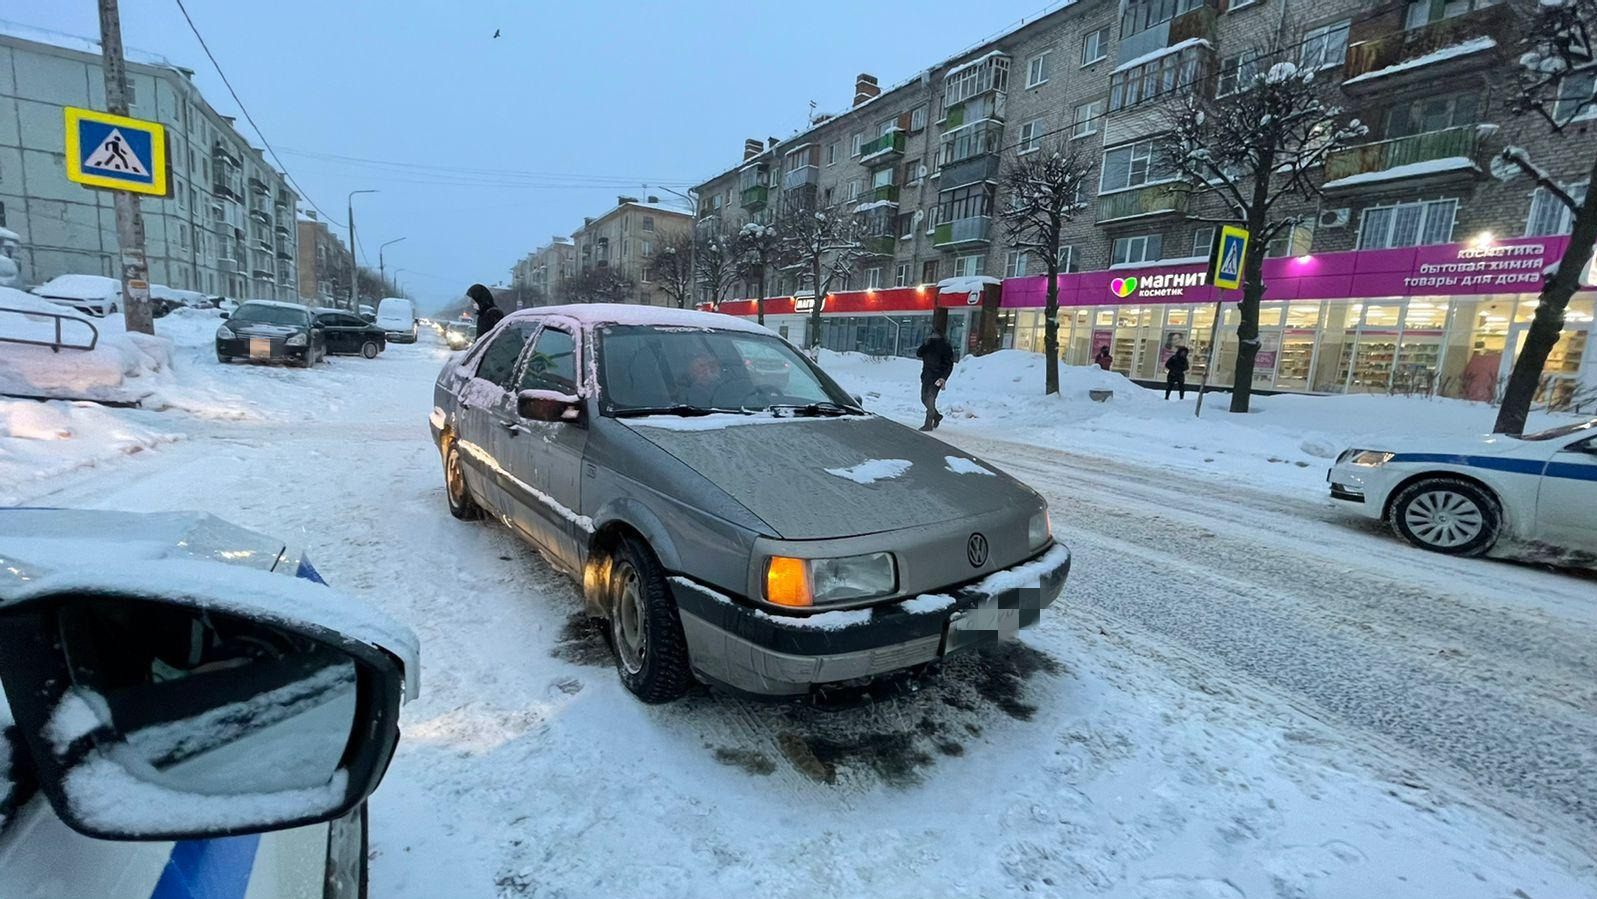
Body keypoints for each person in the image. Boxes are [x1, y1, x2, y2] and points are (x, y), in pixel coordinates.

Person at [915, 328, 954, 432]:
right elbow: (919, 353)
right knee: (924, 398)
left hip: (937, 377)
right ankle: (936, 416)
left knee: (930, 399)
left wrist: (943, 377)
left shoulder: (945, 347)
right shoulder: (928, 345)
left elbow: (949, 364)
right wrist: (925, 344)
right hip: (926, 375)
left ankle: (928, 424)